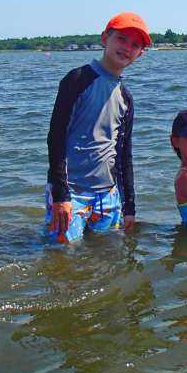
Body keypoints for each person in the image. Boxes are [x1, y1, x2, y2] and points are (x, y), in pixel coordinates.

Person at [45, 12, 150, 243]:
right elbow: (56, 138)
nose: (126, 48)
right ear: (105, 39)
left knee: (105, 258)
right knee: (61, 257)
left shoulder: (125, 97)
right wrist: (61, 195)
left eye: (134, 44)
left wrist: (129, 205)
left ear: (140, 54)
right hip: (72, 192)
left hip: (108, 196)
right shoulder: (77, 80)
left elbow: (124, 154)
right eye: (121, 39)